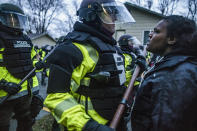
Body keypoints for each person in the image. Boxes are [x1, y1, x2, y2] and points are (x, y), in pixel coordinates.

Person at [44, 0, 138, 130]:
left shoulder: (113, 48)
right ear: (92, 15)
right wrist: (89, 126)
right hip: (87, 126)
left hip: (115, 121)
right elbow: (56, 97)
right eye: (110, 13)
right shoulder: (72, 49)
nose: (115, 18)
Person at [131, 15, 197, 131]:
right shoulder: (181, 65)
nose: (150, 35)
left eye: (156, 31)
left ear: (171, 39)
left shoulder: (171, 76)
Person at [0, 3, 43, 131]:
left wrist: (39, 65)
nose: (15, 23)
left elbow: (31, 63)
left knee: (26, 123)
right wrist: (3, 85)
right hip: (4, 95)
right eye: (11, 19)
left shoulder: (26, 39)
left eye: (18, 19)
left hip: (24, 93)